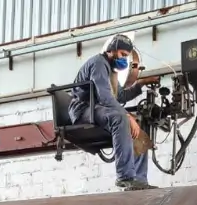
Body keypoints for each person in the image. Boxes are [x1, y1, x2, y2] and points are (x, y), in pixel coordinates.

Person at [69, 34, 161, 190]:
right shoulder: (98, 63)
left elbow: (120, 96)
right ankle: (125, 177)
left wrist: (141, 84)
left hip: (98, 109)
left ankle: (139, 180)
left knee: (138, 125)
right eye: (122, 54)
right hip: (83, 110)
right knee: (120, 118)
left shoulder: (111, 70)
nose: (124, 59)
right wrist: (127, 116)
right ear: (111, 50)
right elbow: (105, 97)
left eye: (126, 56)